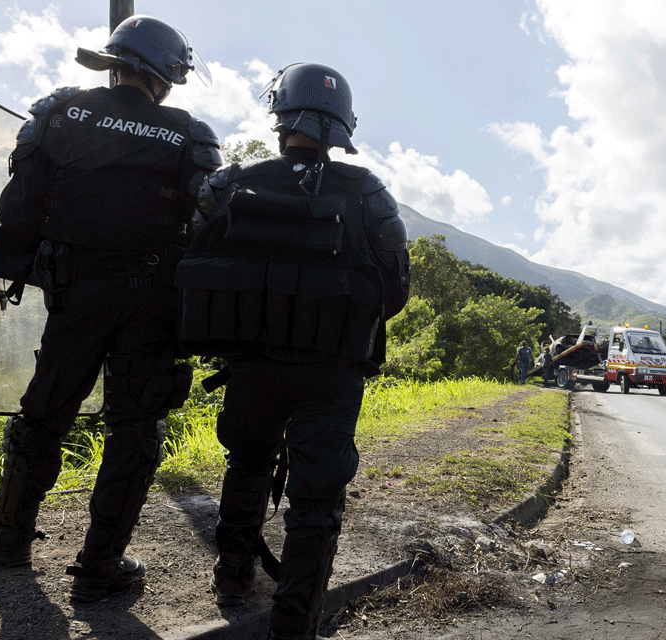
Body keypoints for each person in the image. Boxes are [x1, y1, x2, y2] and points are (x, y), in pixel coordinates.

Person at [0, 15, 220, 603]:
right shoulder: (190, 135)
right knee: (135, 427)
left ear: (117, 61)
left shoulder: (58, 113)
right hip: (152, 304)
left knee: (43, 413)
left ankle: (9, 538)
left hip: (75, 295)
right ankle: (100, 565)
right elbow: (208, 231)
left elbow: (19, 213)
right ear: (165, 75)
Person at [175, 62, 409, 640]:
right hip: (332, 371)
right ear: (340, 128)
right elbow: (396, 288)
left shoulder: (231, 183)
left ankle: (232, 575)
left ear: (280, 116)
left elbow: (192, 257)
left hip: (252, 363)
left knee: (247, 461)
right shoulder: (369, 193)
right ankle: (295, 622)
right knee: (317, 496)